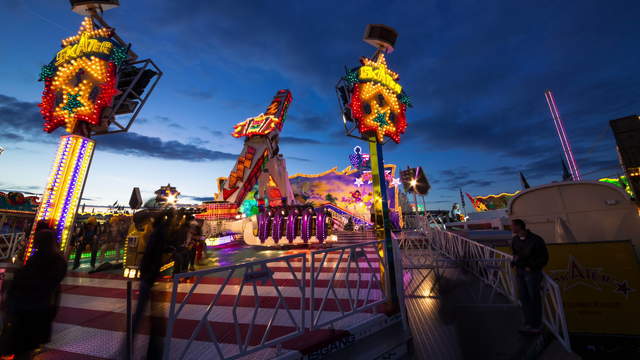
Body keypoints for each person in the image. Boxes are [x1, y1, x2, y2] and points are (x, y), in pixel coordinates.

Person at [1, 221, 66, 359]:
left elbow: (18, 284)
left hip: (26, 308)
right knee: (28, 346)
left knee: (20, 345)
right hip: (42, 307)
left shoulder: (34, 261)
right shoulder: (58, 261)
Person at [510, 219, 549, 335]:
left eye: (512, 226)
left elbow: (544, 257)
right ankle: (528, 323)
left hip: (531, 273)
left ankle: (536, 324)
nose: (511, 228)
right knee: (524, 298)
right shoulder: (515, 240)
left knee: (534, 298)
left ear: (519, 227)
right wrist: (514, 261)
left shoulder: (536, 240)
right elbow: (515, 253)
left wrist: (532, 267)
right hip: (520, 271)